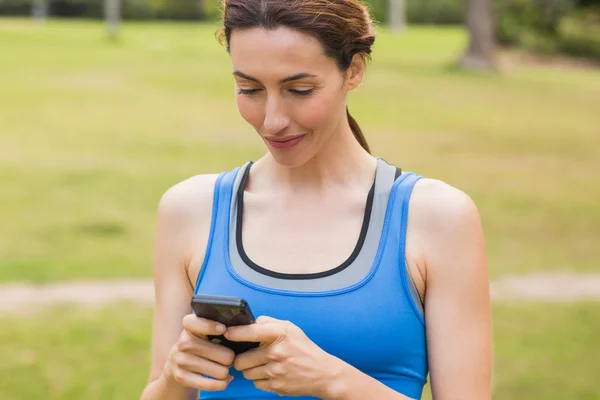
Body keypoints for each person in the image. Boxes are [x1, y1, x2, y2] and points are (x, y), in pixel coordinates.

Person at [140, 0, 492, 399]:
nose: (272, 120)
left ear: (354, 70)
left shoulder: (437, 218)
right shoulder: (189, 210)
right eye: (249, 89)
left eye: (300, 90)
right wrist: (174, 376)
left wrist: (333, 380)